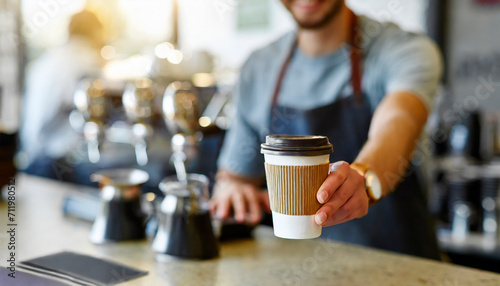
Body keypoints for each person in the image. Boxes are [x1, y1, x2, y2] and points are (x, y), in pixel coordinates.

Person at [210, 0, 442, 259]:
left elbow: (399, 119)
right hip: (299, 271)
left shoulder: (404, 49)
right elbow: (234, 178)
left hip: (400, 267)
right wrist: (231, 191)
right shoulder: (258, 69)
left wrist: (363, 178)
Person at [20, 10, 104, 179]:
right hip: (57, 161)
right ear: (94, 32)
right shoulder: (84, 59)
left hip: (33, 154)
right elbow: (88, 107)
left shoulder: (49, 59)